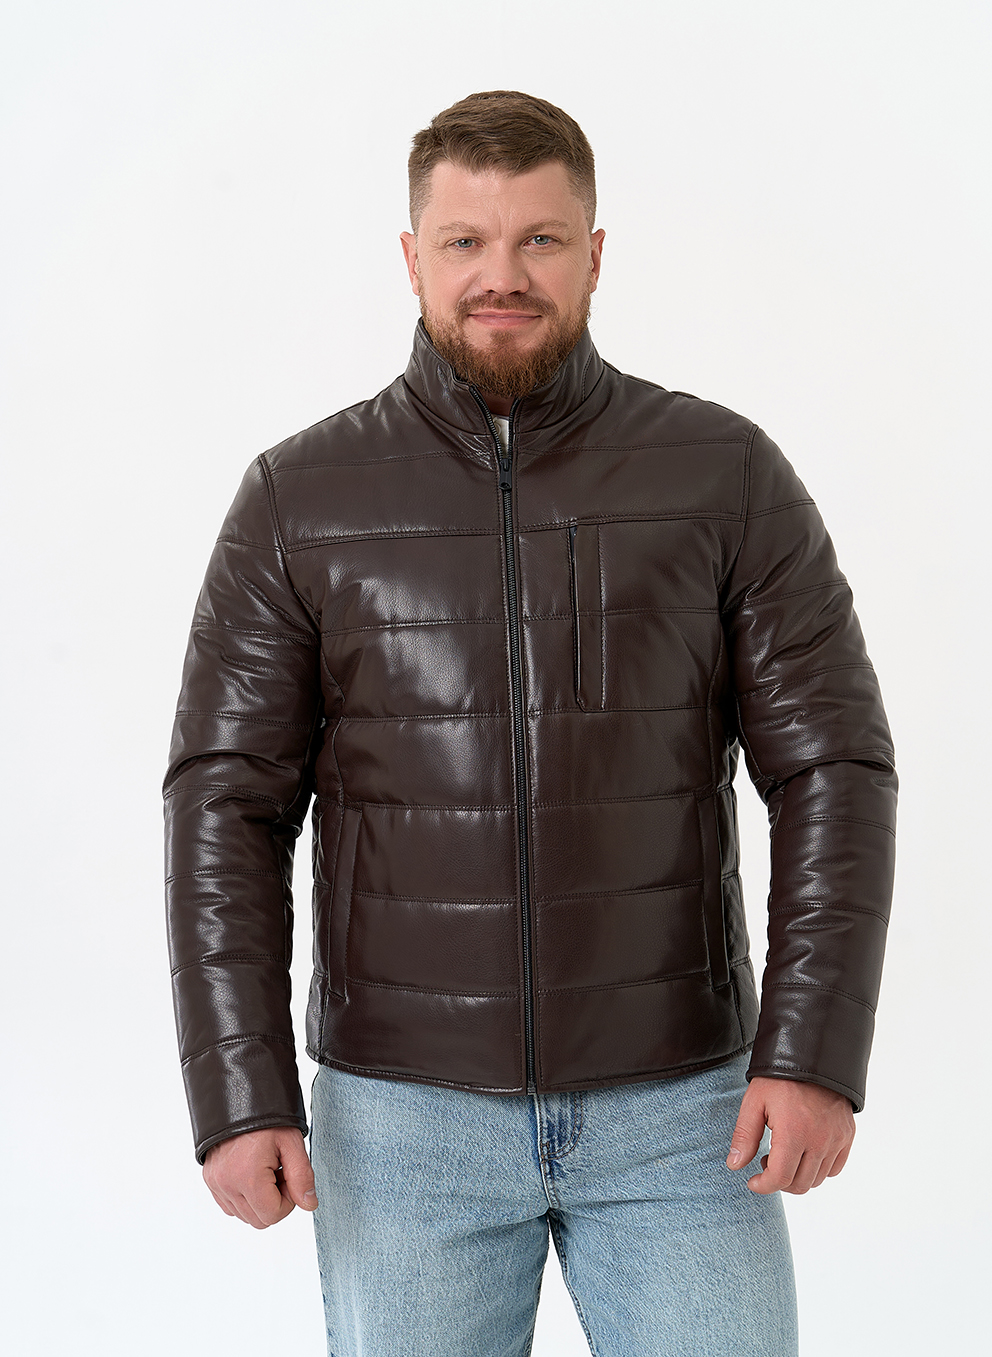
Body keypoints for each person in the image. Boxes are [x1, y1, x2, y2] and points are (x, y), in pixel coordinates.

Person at [164, 90, 897, 1356]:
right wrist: (238, 1091)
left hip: (681, 1112)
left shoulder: (722, 475)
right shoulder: (298, 498)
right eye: (464, 241)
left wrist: (813, 1053)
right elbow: (225, 803)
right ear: (412, 257)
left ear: (594, 253)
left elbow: (831, 766)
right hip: (401, 1123)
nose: (500, 275)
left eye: (539, 240)